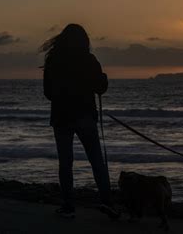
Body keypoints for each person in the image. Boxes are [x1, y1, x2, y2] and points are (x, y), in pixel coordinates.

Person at [41, 23, 119, 219]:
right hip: (84, 115)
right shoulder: (88, 60)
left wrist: (62, 98)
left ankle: (68, 206)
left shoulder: (53, 60)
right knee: (96, 161)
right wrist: (102, 78)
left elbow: (47, 92)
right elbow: (100, 88)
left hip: (61, 117)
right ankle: (107, 202)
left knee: (65, 163)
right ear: (84, 41)